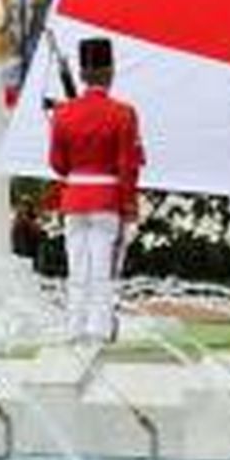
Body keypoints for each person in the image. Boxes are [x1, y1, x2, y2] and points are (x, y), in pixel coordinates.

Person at [49, 38, 144, 343]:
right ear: (110, 71)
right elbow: (127, 166)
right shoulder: (123, 113)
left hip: (75, 198)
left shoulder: (63, 113)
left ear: (81, 73)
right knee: (103, 266)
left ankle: (74, 326)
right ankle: (99, 328)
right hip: (107, 199)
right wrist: (130, 208)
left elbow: (58, 164)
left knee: (77, 266)